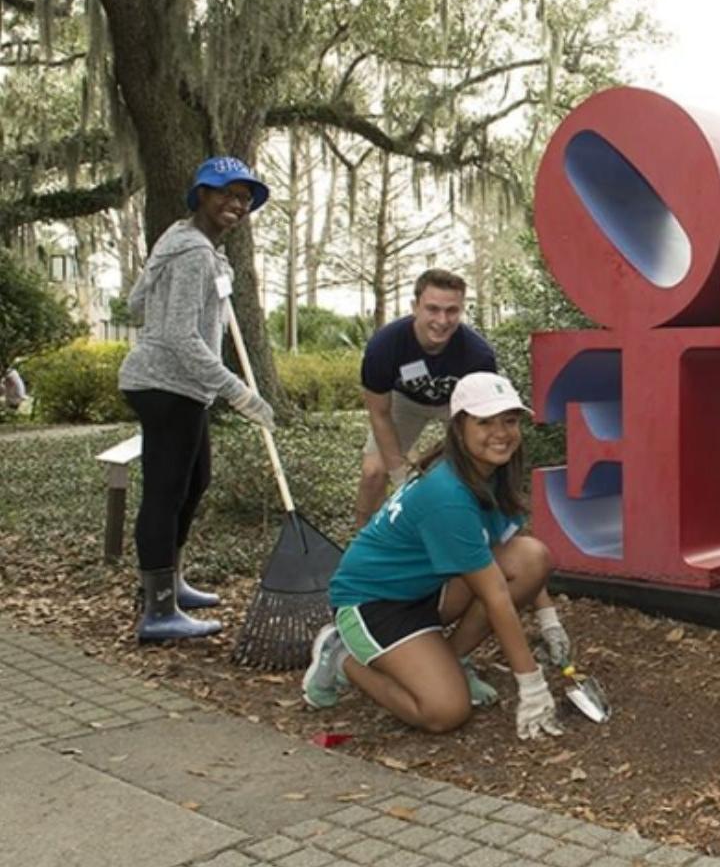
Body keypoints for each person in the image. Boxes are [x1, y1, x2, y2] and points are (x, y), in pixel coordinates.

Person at [302, 372, 569, 737]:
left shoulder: (492, 472)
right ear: (459, 428)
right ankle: (341, 657)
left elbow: (514, 554)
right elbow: (495, 595)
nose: (501, 432)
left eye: (509, 420)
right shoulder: (447, 495)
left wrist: (548, 616)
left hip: (428, 587)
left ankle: (450, 661)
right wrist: (532, 684)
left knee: (531, 556)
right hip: (374, 603)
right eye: (485, 421)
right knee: (444, 711)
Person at [117, 155, 277, 642]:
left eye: (244, 199)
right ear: (201, 195)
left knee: (193, 482)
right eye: (226, 193)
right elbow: (184, 338)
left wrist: (207, 278)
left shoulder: (183, 241)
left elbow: (136, 303)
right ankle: (158, 611)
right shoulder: (193, 252)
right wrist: (240, 393)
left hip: (176, 386)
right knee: (166, 494)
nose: (236, 204)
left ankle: (171, 582)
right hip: (167, 386)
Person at [354, 268, 497, 529]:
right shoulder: (383, 347)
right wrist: (398, 475)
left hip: (457, 405)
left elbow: (483, 422)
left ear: (461, 310)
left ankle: (475, 532)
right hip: (404, 402)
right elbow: (379, 413)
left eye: (452, 311)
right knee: (373, 472)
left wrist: (453, 456)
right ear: (415, 307)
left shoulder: (479, 357)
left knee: (473, 471)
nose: (442, 320)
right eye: (432, 309)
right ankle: (364, 536)